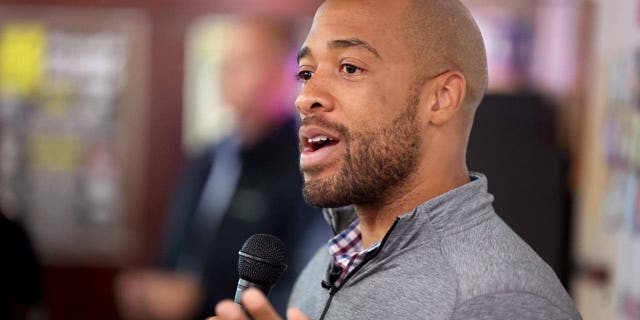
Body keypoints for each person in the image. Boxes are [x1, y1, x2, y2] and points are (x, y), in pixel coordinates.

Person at [212, 0, 582, 319]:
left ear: (441, 98)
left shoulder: (504, 301)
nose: (305, 97)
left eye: (350, 68)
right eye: (306, 73)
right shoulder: (330, 261)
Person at [115, 17, 327, 320]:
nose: (227, 72)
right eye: (224, 61)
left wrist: (200, 298)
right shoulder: (207, 157)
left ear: (285, 73)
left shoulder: (307, 166)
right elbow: (180, 250)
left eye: (244, 61)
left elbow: (304, 282)